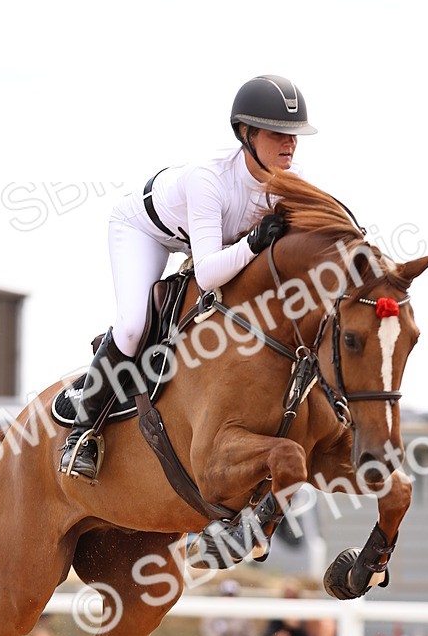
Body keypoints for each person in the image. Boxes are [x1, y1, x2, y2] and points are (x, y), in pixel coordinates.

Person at [60, 75, 317, 478]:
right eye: (277, 133)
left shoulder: (291, 178)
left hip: (201, 240)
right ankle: (82, 433)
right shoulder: (208, 179)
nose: (290, 144)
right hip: (144, 230)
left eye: (295, 135)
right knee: (132, 327)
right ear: (245, 134)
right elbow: (210, 273)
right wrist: (252, 243)